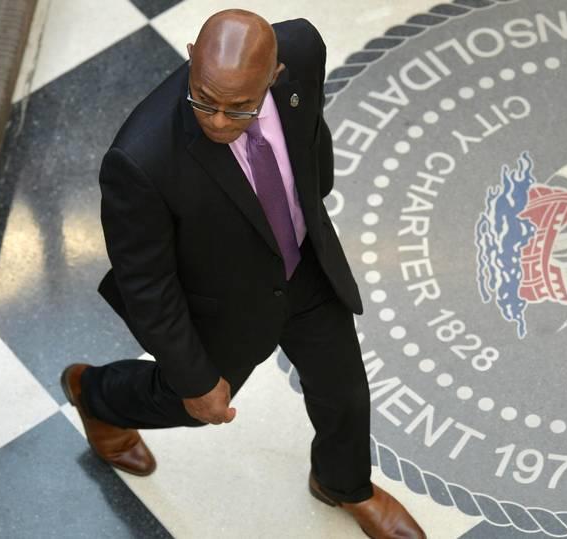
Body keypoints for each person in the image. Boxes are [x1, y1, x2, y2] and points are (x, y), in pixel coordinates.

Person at [59, 9, 426, 539]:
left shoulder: (300, 50)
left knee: (344, 391)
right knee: (188, 406)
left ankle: (341, 484)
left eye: (240, 108)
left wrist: (310, 194)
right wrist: (195, 378)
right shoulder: (139, 158)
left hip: (302, 266)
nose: (218, 121)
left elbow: (308, 137)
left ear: (274, 75)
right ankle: (94, 393)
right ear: (191, 55)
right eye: (204, 101)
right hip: (220, 303)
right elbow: (147, 283)